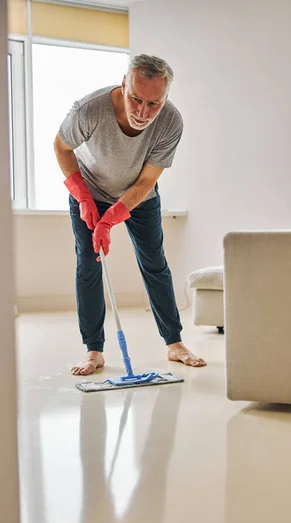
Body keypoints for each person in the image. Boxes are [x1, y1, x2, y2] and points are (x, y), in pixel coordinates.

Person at [54, 54, 206, 376]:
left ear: (165, 98)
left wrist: (112, 218)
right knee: (89, 263)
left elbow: (147, 180)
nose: (143, 112)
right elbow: (62, 147)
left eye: (154, 103)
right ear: (124, 85)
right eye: (136, 99)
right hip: (89, 190)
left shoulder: (170, 122)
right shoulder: (89, 110)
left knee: (154, 262)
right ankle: (94, 350)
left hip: (139, 195)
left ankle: (174, 343)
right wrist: (83, 197)